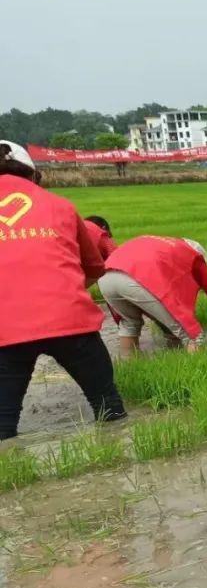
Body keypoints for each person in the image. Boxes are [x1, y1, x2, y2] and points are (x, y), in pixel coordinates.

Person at [0, 141, 126, 440]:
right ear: (32, 174)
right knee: (110, 409)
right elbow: (95, 266)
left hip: (6, 330)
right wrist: (60, 291)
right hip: (71, 321)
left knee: (3, 425)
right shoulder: (60, 205)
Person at [98, 235, 207, 357]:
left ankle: (131, 365)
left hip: (105, 277)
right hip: (137, 278)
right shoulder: (194, 256)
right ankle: (196, 374)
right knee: (193, 336)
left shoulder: (166, 245)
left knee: (129, 323)